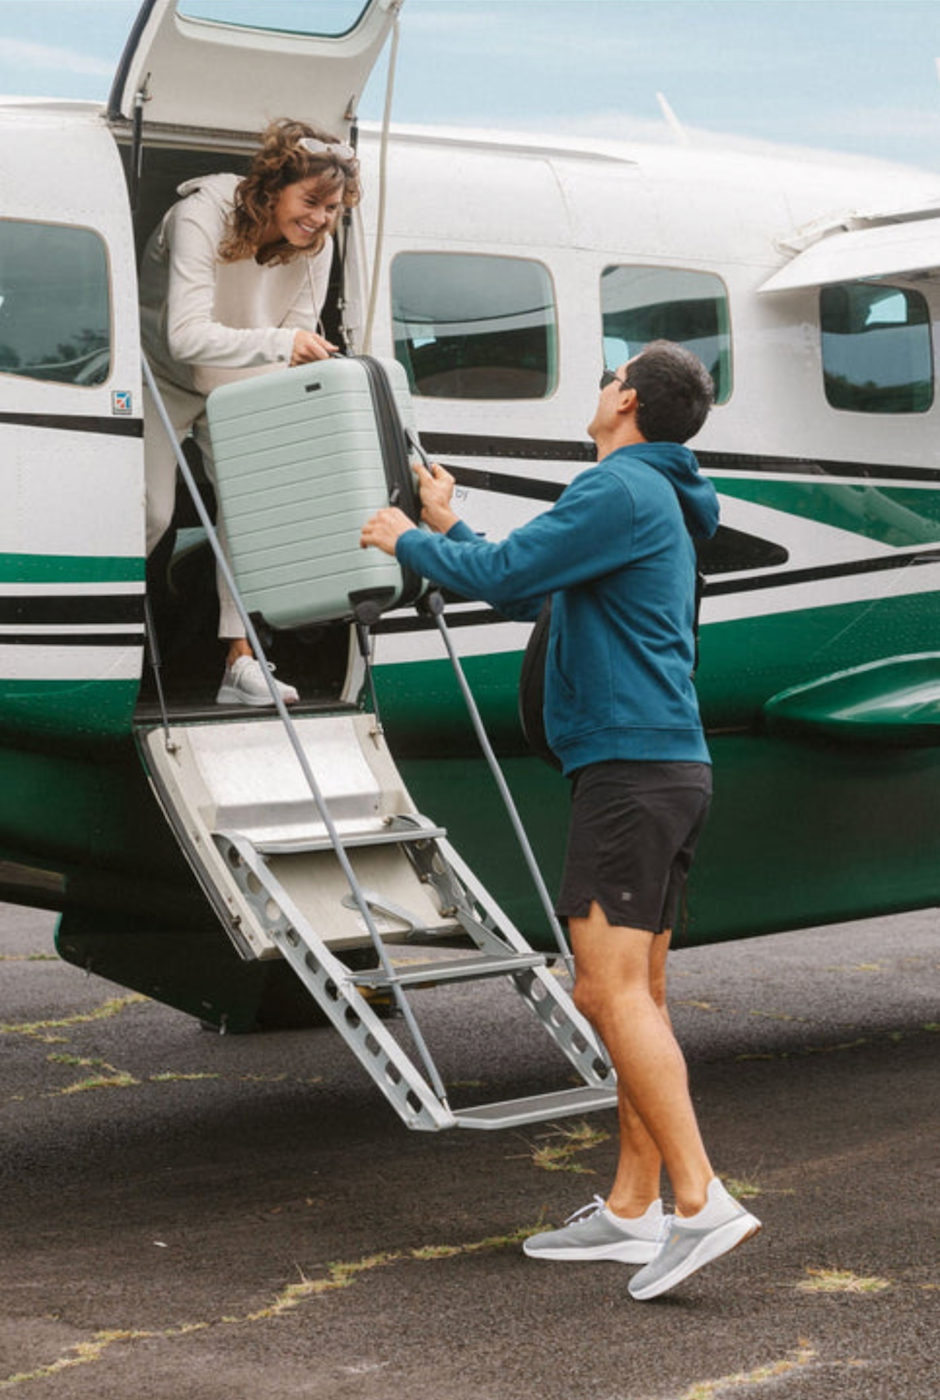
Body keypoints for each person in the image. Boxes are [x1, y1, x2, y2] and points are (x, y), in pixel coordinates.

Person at [360, 340, 761, 1301]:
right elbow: (538, 584)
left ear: (626, 399)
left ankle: (701, 1200)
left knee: (605, 992)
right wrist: (454, 525)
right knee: (640, 999)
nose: (597, 390)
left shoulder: (617, 488)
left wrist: (406, 539)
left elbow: (503, 577)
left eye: (604, 380)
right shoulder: (651, 495)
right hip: (663, 765)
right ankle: (632, 1210)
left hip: (630, 770)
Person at [139, 118, 361, 706]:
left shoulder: (319, 246)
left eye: (332, 208)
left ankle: (241, 665)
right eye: (311, 201)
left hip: (237, 382)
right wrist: (282, 347)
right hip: (160, 374)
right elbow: (185, 337)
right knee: (154, 512)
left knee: (253, 513)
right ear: (272, 188)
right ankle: (96, 635)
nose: (319, 218)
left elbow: (295, 334)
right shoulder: (202, 215)